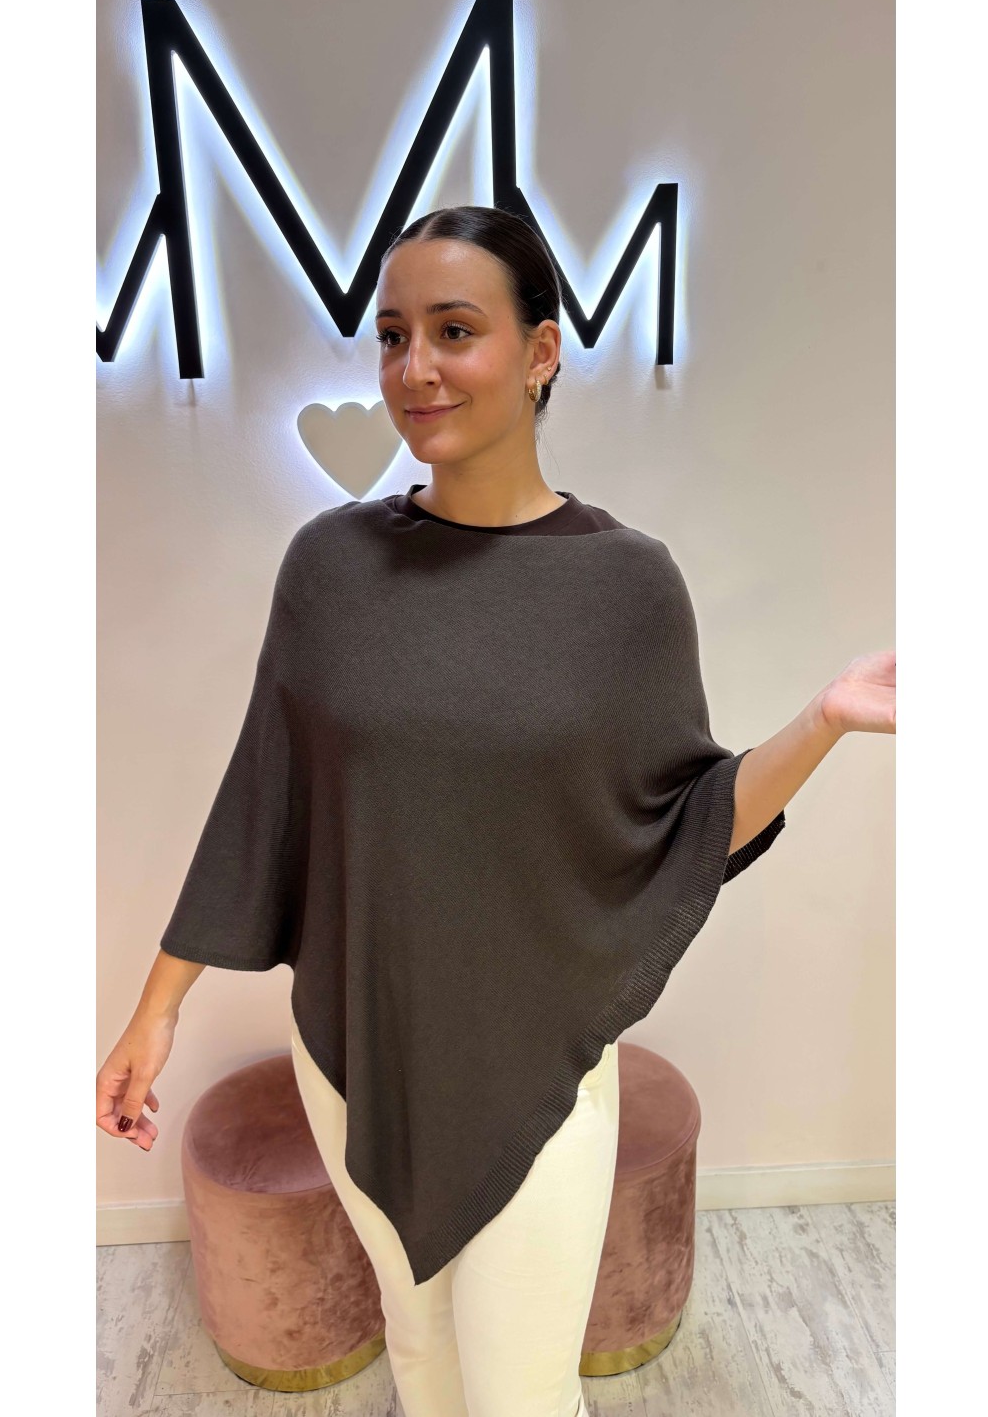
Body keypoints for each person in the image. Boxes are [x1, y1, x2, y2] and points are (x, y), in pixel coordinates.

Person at [97, 204, 895, 1417]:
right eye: (392, 335)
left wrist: (823, 721)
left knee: (521, 1392)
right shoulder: (329, 566)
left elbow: (684, 818)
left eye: (454, 330)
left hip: (532, 1063)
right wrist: (155, 1011)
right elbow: (263, 794)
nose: (413, 368)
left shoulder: (623, 584)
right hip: (353, 1047)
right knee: (421, 1359)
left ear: (538, 352)